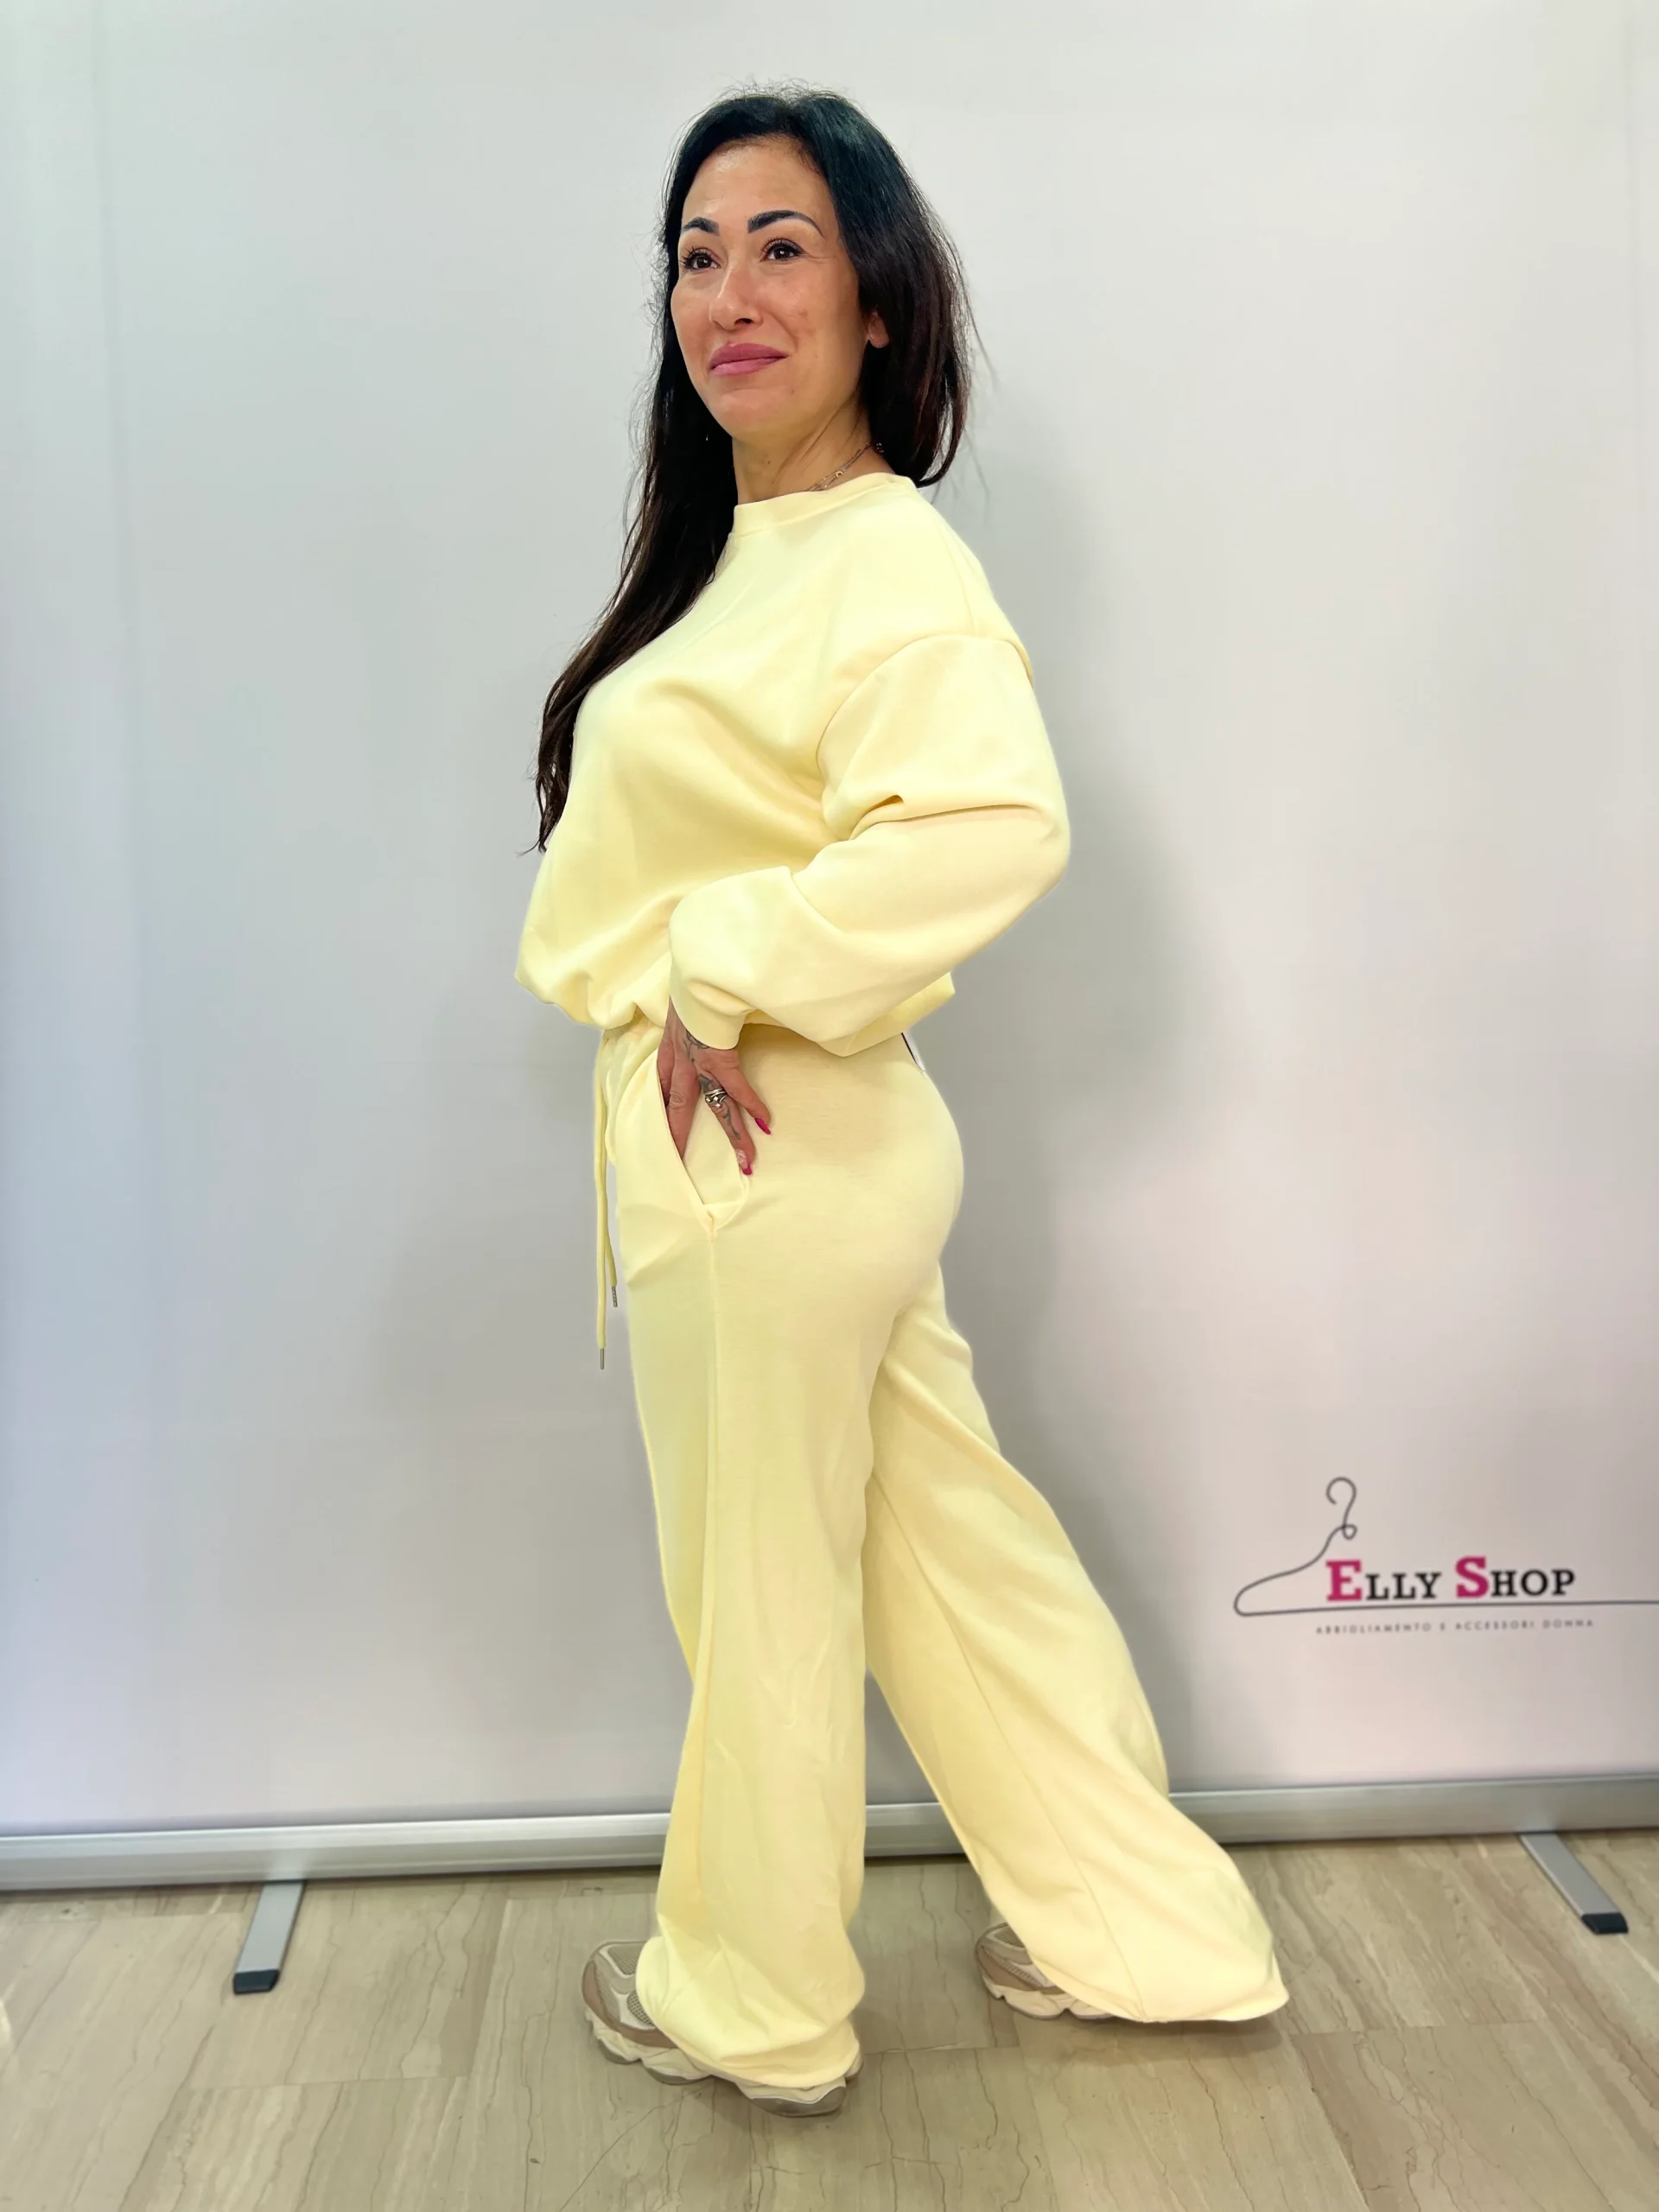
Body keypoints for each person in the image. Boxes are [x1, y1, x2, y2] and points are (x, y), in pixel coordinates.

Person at [514, 85, 1288, 2121]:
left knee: (764, 1586)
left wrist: (715, 963)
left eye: (783, 246)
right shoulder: (752, 554)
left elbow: (992, 821)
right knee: (952, 1560)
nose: (730, 293)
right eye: (696, 254)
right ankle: (1153, 1931)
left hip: (757, 1148)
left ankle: (751, 1996)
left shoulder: (881, 553)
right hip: (814, 1146)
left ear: (877, 300)